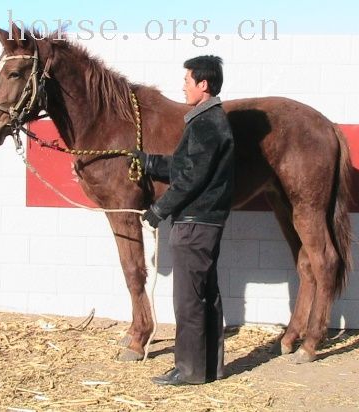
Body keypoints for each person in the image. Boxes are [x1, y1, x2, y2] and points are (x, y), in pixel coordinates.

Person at [132, 55, 234, 386]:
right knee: (206, 295)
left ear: (203, 85)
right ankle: (209, 368)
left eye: (188, 81)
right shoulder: (209, 121)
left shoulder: (207, 124)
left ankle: (188, 371)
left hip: (195, 223)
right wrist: (148, 162)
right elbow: (184, 166)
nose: (184, 86)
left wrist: (159, 210)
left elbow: (191, 178)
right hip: (205, 221)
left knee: (189, 300)